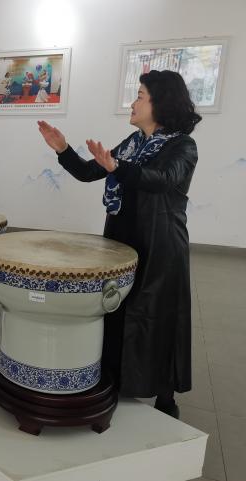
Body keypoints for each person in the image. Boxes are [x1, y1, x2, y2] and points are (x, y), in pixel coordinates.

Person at [38, 70, 202, 418]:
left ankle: (165, 395)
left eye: (140, 96)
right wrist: (63, 149)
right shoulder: (133, 143)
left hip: (160, 244)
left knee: (156, 316)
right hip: (122, 239)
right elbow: (89, 172)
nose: (132, 103)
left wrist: (117, 167)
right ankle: (116, 376)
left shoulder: (182, 146)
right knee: (119, 307)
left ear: (160, 102)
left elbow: (162, 179)